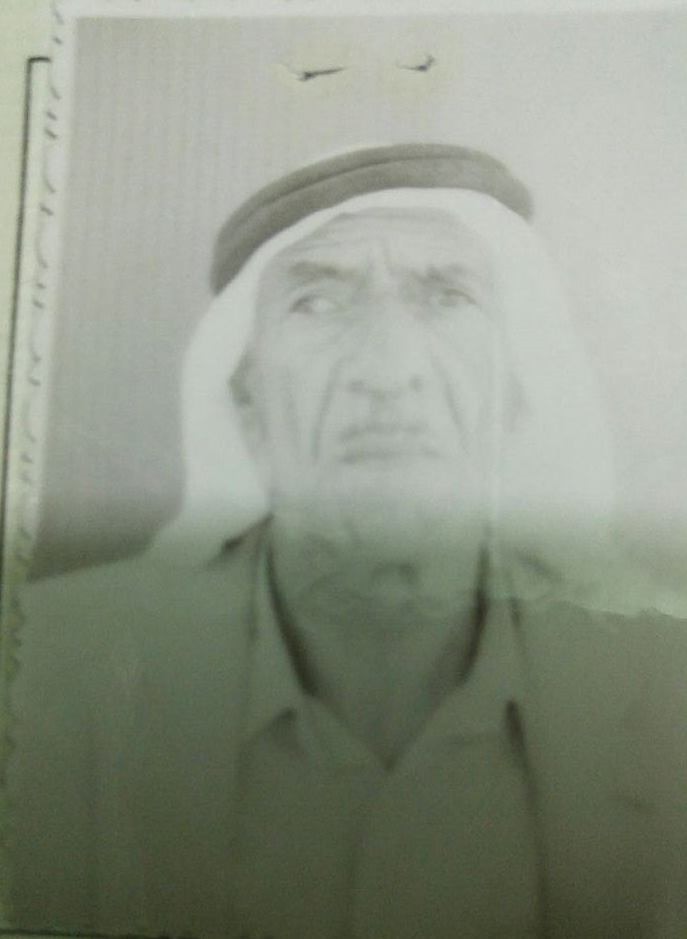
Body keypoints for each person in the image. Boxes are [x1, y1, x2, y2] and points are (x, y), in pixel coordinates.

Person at [4, 144, 686, 939]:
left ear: (516, 394)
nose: (388, 373)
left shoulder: (667, 692)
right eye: (317, 303)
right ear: (244, 402)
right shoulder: (38, 680)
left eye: (447, 297)